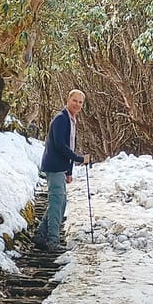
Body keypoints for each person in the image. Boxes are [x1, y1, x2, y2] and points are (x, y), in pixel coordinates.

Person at [33, 89, 91, 250]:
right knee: (57, 202)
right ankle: (52, 241)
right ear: (68, 100)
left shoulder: (71, 120)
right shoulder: (61, 119)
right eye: (75, 101)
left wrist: (69, 171)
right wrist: (79, 159)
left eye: (80, 102)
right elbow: (60, 145)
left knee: (60, 202)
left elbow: (69, 144)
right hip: (54, 166)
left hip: (61, 167)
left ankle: (40, 235)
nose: (77, 105)